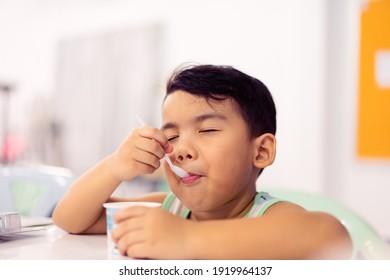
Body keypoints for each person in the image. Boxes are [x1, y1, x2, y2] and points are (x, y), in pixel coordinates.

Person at [52, 64, 352, 259]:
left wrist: (186, 239)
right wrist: (114, 166)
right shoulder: (169, 209)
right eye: (171, 136)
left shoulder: (268, 216)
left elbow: (330, 235)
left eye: (207, 130)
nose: (181, 149)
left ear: (260, 152)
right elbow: (71, 220)